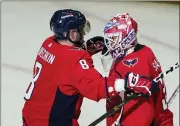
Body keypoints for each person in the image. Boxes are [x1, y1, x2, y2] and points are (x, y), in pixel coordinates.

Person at [22, 9, 161, 126]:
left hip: (30, 116)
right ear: (71, 34)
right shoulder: (75, 60)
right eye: (81, 30)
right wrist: (129, 82)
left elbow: (63, 66)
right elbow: (97, 88)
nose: (83, 34)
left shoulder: (49, 43)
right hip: (51, 122)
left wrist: (86, 49)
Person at [92, 13, 173, 126]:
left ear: (127, 37)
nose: (109, 43)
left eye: (114, 38)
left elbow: (141, 113)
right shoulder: (143, 52)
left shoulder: (132, 63)